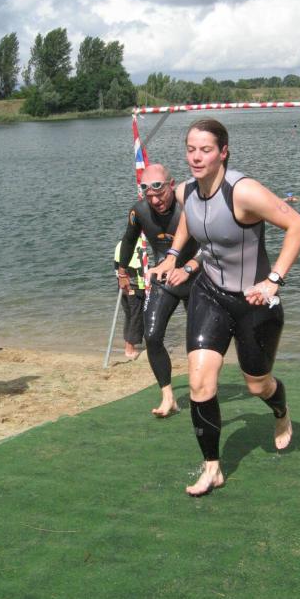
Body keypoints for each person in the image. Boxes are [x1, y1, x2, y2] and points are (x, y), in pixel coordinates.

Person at [152, 118, 300, 496]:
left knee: (257, 385)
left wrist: (274, 280)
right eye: (191, 149)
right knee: (200, 382)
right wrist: (173, 254)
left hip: (255, 301)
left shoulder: (243, 191)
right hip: (209, 293)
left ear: (223, 152)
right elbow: (190, 219)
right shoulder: (186, 190)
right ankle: (212, 468)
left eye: (205, 150)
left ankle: (281, 412)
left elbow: (298, 226)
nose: (196, 157)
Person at [118, 164, 199, 417]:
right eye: (149, 196)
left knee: (198, 340)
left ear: (171, 185)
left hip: (196, 278)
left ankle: (202, 388)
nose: (155, 201)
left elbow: (211, 245)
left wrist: (188, 268)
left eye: (160, 193)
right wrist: (122, 272)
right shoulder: (139, 211)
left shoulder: (190, 207)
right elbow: (129, 239)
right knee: (152, 336)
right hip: (164, 278)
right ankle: (168, 397)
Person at [114, 239, 145, 359]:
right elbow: (138, 267)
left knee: (129, 315)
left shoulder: (121, 243)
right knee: (136, 316)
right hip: (133, 286)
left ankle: (128, 345)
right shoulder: (139, 245)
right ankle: (129, 349)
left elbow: (116, 265)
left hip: (121, 285)